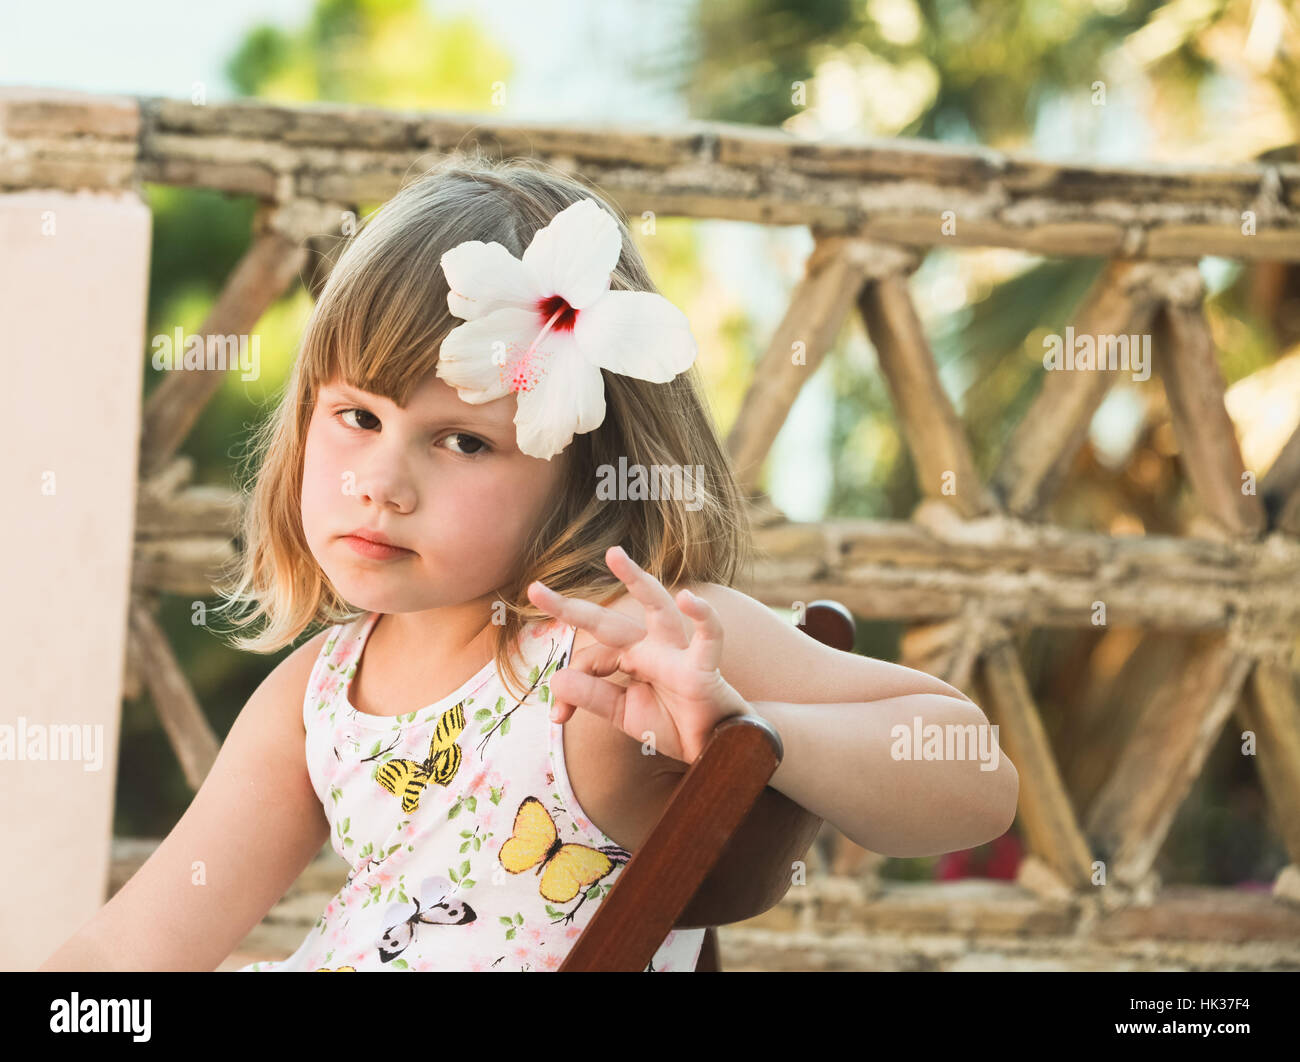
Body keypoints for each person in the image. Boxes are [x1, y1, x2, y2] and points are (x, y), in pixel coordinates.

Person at [40, 154, 1018, 972]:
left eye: (463, 442)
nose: (382, 482)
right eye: (357, 418)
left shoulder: (628, 645)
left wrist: (745, 729)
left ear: (583, 471)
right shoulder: (321, 691)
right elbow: (138, 945)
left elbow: (976, 777)